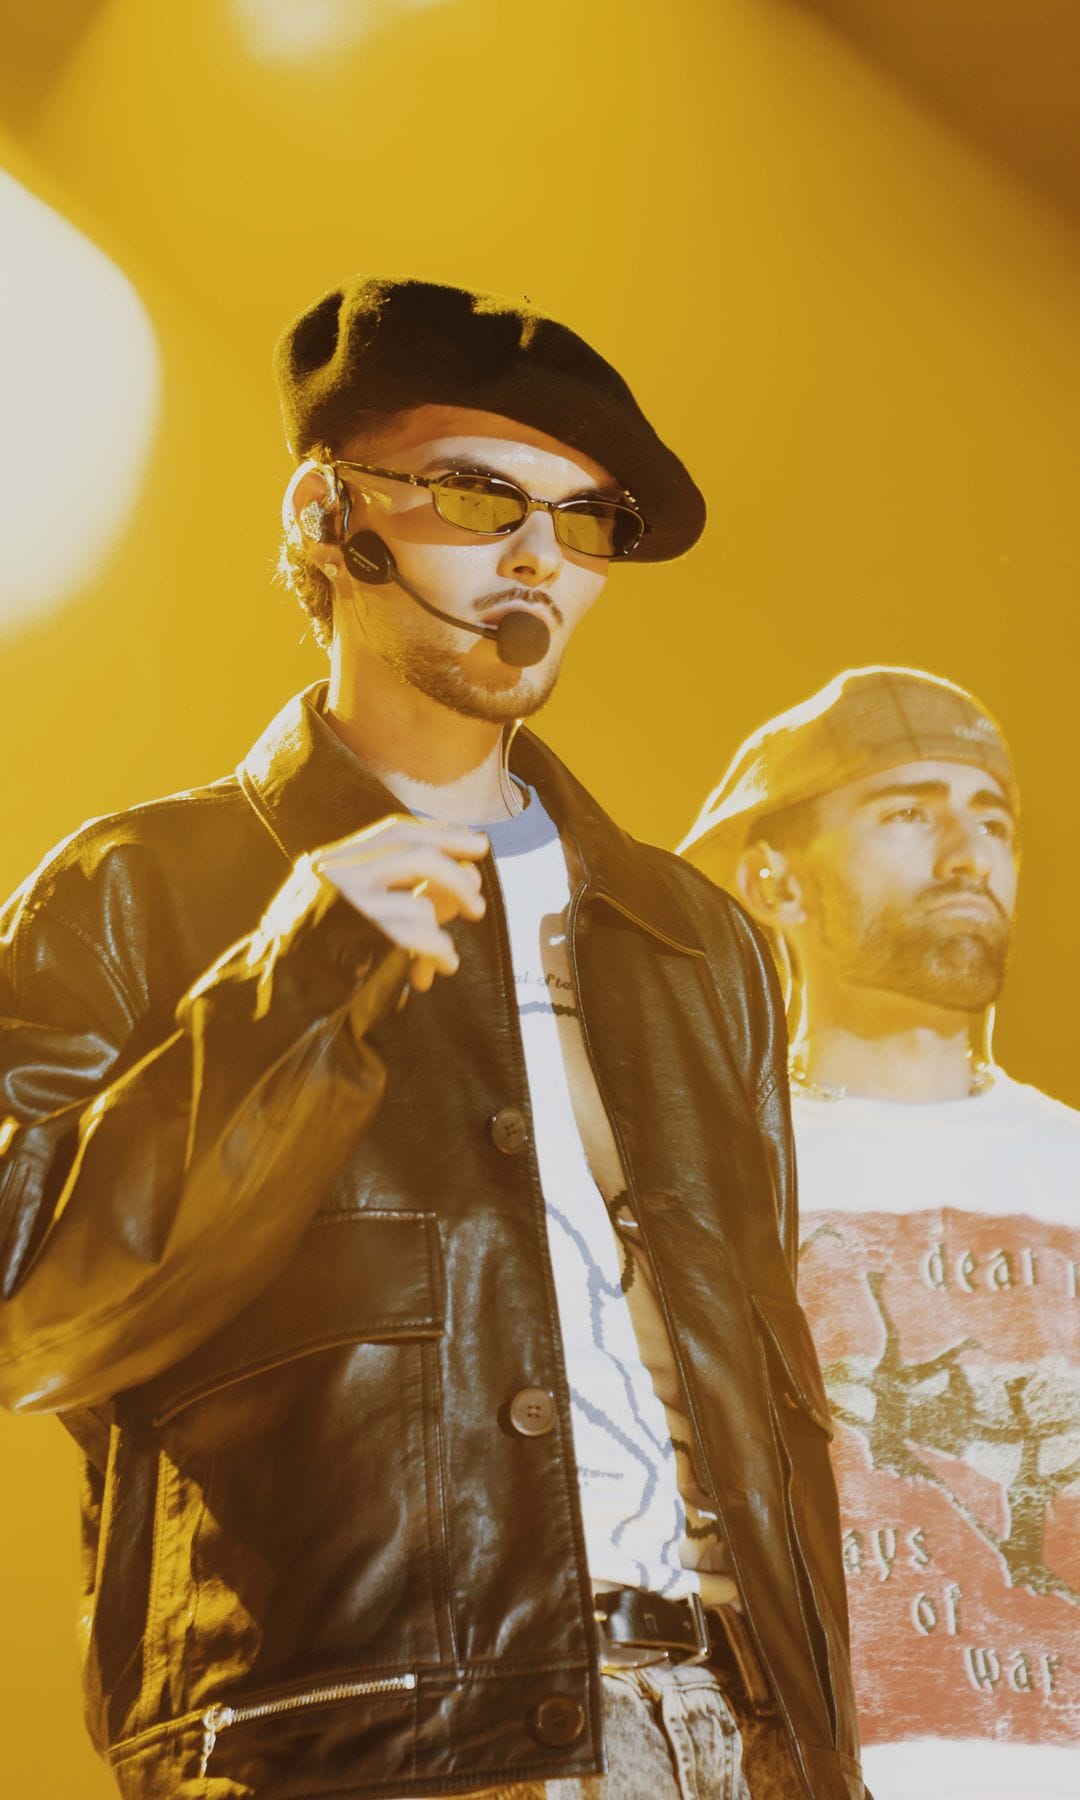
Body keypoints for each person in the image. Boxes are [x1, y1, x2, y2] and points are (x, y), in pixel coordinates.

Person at [0, 278, 864, 1800]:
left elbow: (763, 1406)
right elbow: (28, 1314)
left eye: (584, 522)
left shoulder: (696, 942)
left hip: (722, 1744)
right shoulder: (133, 896)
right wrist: (292, 984)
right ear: (329, 514)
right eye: (478, 495)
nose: (538, 556)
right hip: (363, 1747)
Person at [680, 664, 1080, 1800]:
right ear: (775, 883)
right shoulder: (702, 1186)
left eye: (991, 819)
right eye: (908, 813)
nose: (968, 855)